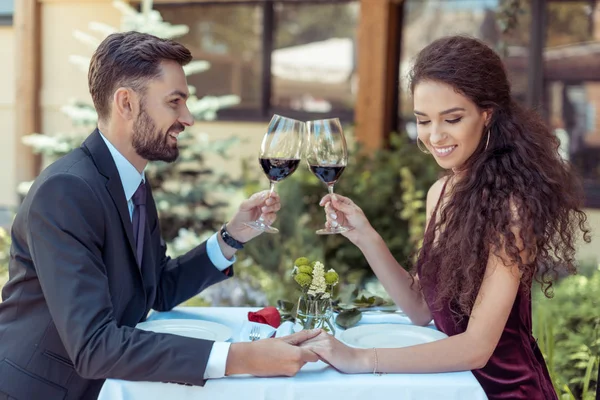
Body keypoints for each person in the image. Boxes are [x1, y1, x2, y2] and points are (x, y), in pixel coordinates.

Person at [0, 31, 319, 400]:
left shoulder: (130, 181)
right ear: (127, 103)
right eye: (175, 101)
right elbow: (94, 346)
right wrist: (242, 357)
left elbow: (156, 288)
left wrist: (231, 237)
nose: (188, 118)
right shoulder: (66, 192)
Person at [305, 36, 591, 400]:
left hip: (503, 391)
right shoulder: (440, 193)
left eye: (452, 119)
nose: (435, 135)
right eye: (423, 120)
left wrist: (361, 358)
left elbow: (477, 347)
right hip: (448, 385)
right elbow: (421, 309)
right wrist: (365, 236)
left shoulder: (511, 208)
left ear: (488, 114)